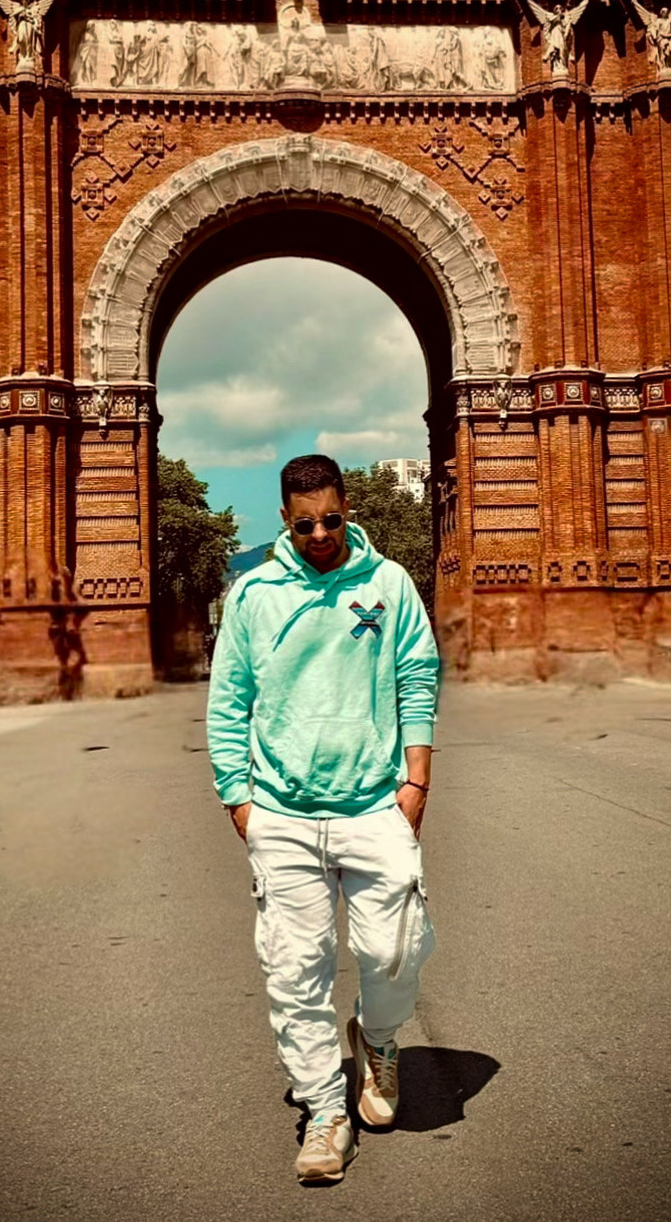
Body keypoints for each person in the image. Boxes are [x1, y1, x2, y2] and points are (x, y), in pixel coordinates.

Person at [207, 454, 439, 1185]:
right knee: (294, 968)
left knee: (396, 949)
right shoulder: (252, 594)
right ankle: (325, 1110)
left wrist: (416, 780)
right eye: (304, 523)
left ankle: (378, 1039)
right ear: (284, 518)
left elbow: (417, 674)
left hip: (375, 803)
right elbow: (228, 700)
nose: (319, 534)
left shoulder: (387, 582)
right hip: (281, 813)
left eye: (331, 519)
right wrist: (238, 798)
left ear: (348, 509)